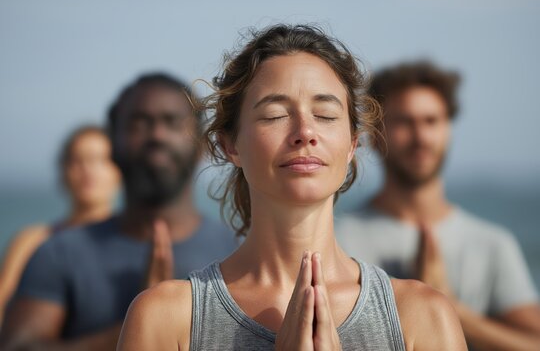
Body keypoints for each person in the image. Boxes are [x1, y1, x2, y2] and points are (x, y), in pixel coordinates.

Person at [117, 25, 466, 350]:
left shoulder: (422, 317)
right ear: (230, 145)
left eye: (325, 115)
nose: (305, 131)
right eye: (274, 115)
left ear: (352, 145)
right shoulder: (168, 318)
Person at [0, 73, 238, 349]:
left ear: (202, 146)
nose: (157, 135)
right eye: (139, 123)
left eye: (173, 122)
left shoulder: (237, 252)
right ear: (111, 144)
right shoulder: (58, 253)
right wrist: (139, 323)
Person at [335, 61, 540, 350]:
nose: (421, 137)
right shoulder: (337, 240)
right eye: (404, 121)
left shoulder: (492, 243)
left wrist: (450, 308)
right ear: (373, 134)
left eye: (432, 121)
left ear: (448, 130)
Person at [0, 125, 120, 327]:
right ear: (63, 171)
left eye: (100, 160)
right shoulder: (32, 241)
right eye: (77, 160)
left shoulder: (133, 242)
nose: (88, 169)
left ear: (120, 170)